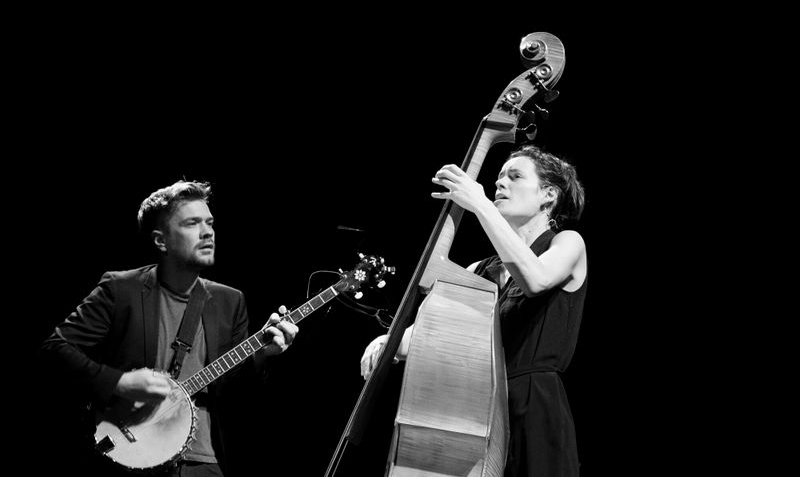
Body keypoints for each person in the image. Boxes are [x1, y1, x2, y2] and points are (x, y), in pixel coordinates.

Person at [39, 180, 299, 477]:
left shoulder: (230, 300)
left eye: (210, 223)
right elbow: (54, 350)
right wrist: (119, 382)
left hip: (202, 461)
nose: (208, 232)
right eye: (192, 223)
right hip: (128, 454)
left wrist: (261, 356)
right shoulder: (120, 289)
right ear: (161, 241)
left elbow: (235, 394)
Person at [360, 144, 587, 477]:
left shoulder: (567, 243)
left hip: (534, 409)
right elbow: (435, 332)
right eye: (498, 178)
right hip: (475, 409)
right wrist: (388, 343)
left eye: (515, 176)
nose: (499, 184)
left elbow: (535, 280)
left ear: (548, 194)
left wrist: (480, 205)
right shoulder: (479, 268)